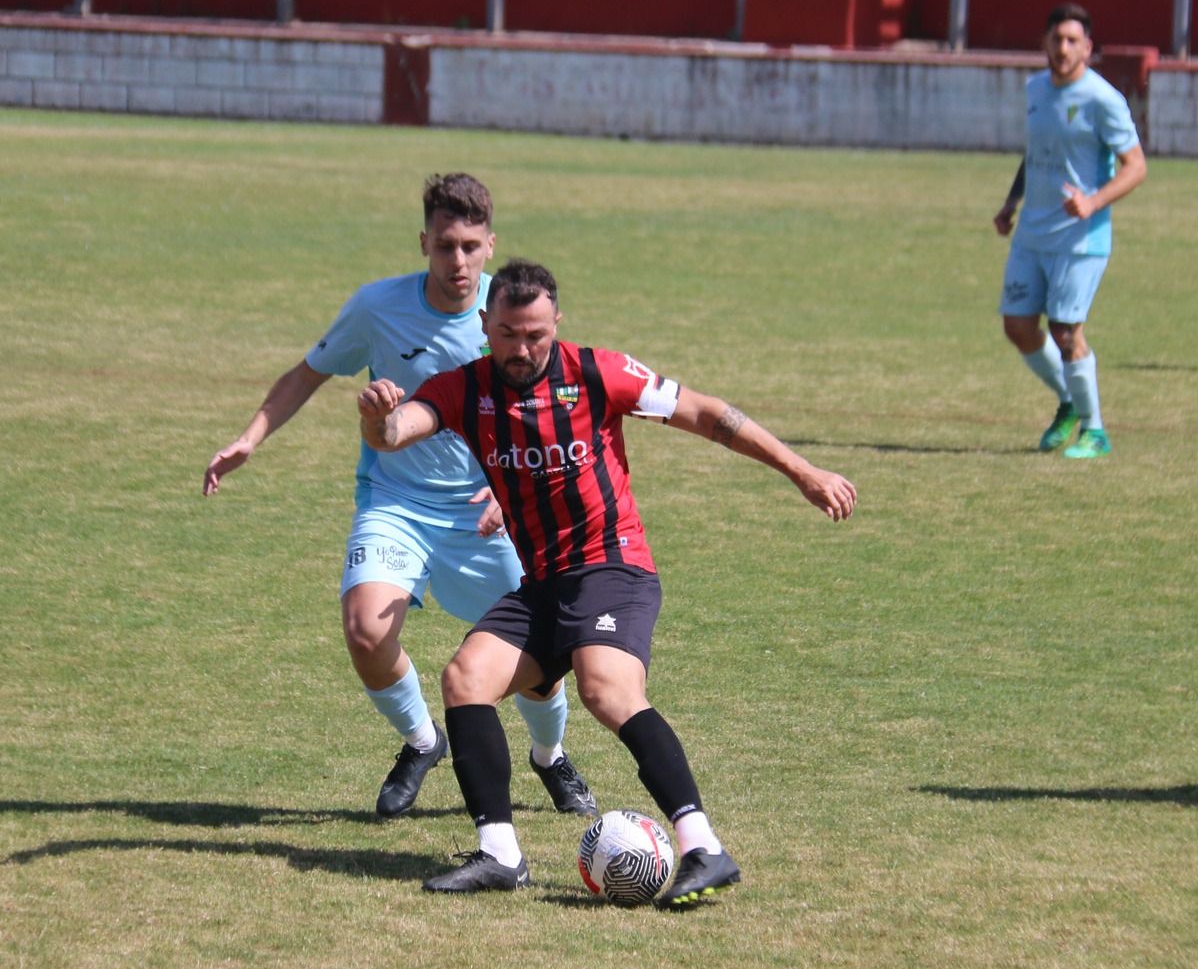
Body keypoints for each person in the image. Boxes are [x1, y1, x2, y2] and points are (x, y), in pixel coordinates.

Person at [357, 259, 858, 906]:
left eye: (535, 333)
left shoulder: (597, 372)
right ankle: (501, 854)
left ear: (556, 324)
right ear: (485, 325)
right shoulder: (464, 387)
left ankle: (704, 847)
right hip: (542, 584)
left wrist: (803, 470)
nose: (522, 347)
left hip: (612, 569)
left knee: (606, 689)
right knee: (465, 679)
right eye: (508, 333)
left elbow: (706, 413)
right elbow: (398, 431)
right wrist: (376, 418)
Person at [203, 175, 595, 820]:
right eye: (446, 246)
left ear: (491, 245)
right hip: (396, 501)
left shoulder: (512, 316)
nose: (459, 261)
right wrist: (250, 438)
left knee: (540, 662)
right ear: (424, 243)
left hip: (485, 513)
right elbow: (308, 373)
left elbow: (553, 411)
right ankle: (421, 740)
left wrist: (515, 493)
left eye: (472, 246)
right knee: (365, 630)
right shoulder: (376, 307)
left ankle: (549, 757)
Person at [992, 2, 1148, 460]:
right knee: (1018, 326)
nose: (1063, 48)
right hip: (1032, 234)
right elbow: (1035, 151)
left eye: (1072, 41)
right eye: (1056, 39)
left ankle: (1095, 431)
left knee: (1065, 331)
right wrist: (1011, 202)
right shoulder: (1035, 88)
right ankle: (1069, 402)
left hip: (1081, 239)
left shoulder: (1102, 99)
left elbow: (1136, 167)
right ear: (1044, 43)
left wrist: (1092, 201)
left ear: (1088, 48)